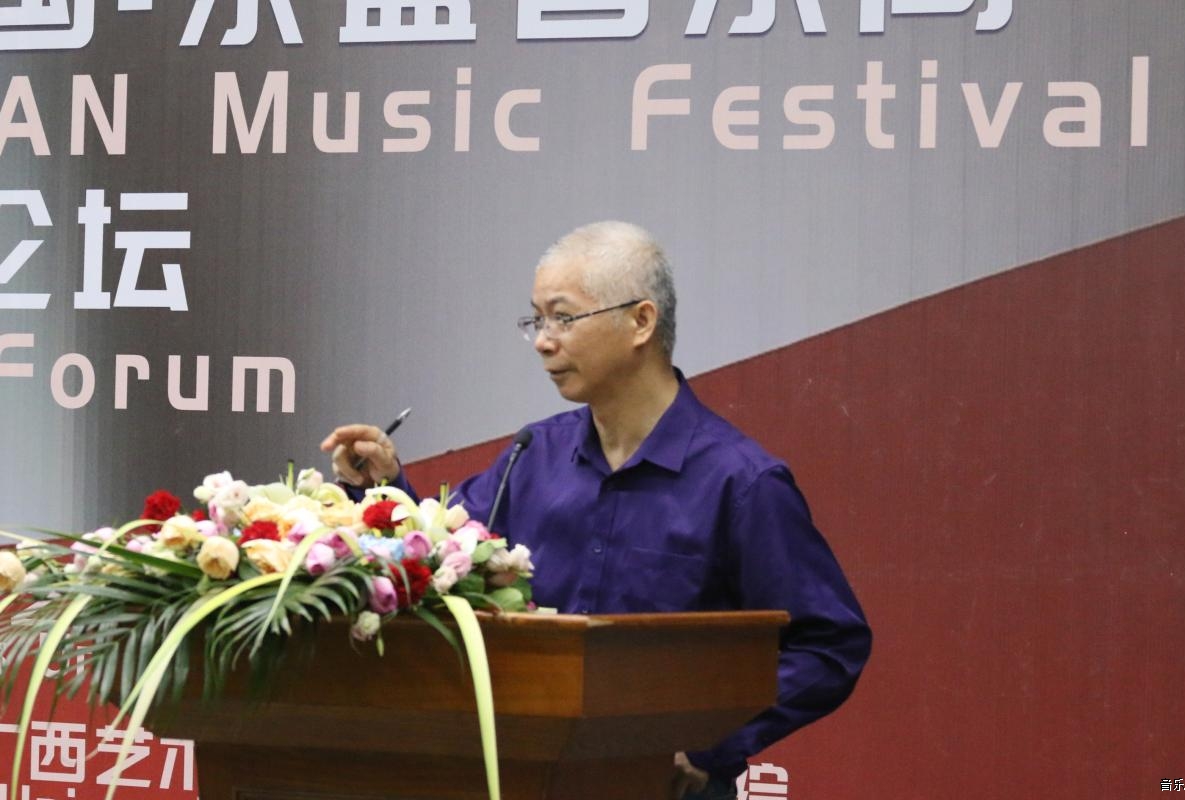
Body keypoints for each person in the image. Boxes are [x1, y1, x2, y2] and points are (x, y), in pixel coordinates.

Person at [320, 221, 871, 800]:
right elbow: (443, 561)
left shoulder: (740, 482)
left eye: (563, 317)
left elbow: (830, 643)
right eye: (536, 320)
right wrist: (382, 487)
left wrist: (711, 743)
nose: (543, 341)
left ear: (641, 322)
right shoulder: (533, 455)